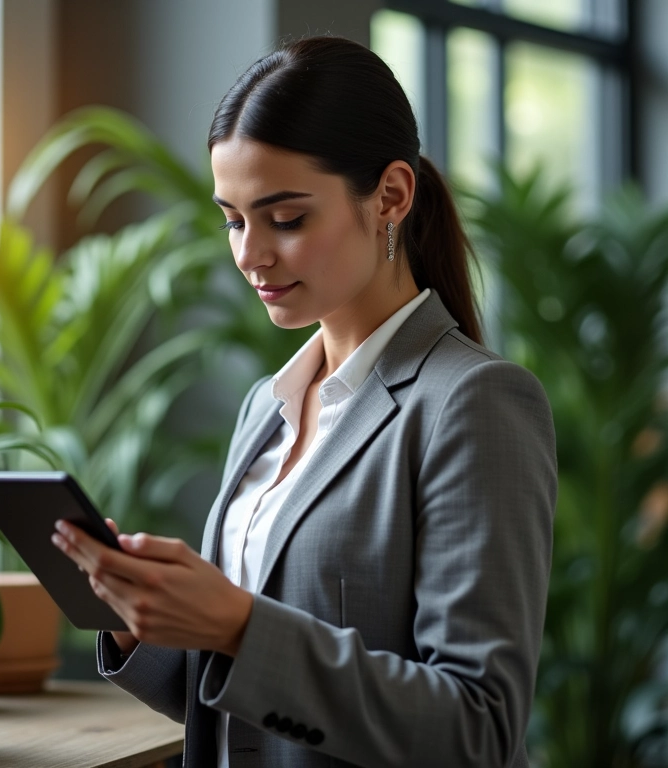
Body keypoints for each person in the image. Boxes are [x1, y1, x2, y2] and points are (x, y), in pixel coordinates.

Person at [52, 35, 556, 768]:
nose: (249, 254)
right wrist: (142, 624)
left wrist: (238, 624)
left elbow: (476, 730)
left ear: (391, 196)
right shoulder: (268, 407)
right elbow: (246, 710)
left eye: (285, 219)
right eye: (233, 219)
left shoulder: (473, 402)